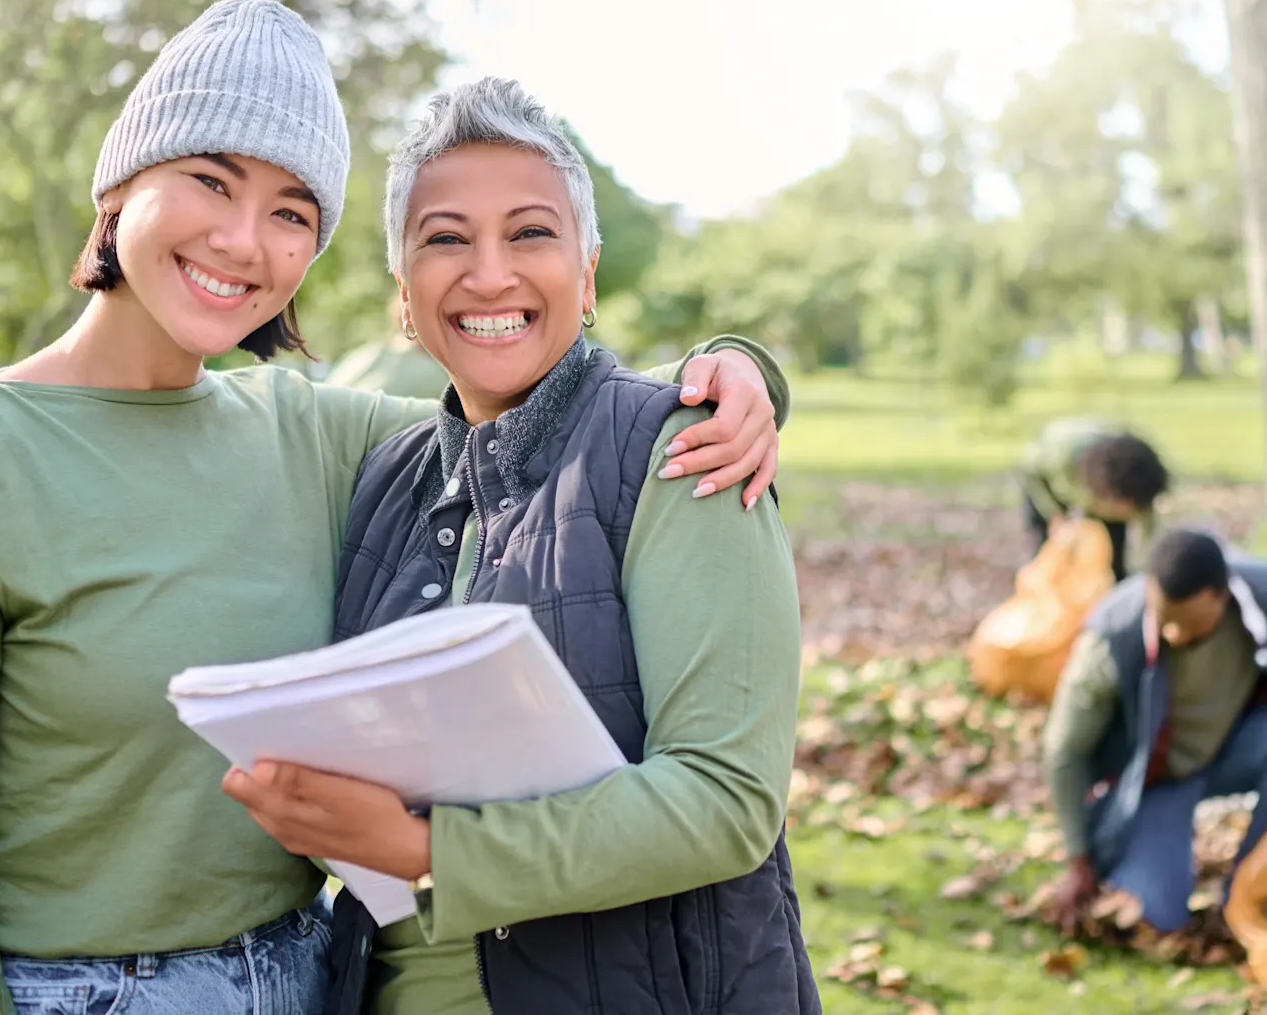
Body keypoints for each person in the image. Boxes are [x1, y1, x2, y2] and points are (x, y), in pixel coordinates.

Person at [0, 0, 789, 1015]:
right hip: (80, 991)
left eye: (292, 211)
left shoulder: (310, 435)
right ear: (120, 184)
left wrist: (736, 374)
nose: (244, 240)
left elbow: (553, 398)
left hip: (305, 980)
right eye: (210, 179)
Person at [220, 77, 821, 1015]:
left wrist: (427, 853)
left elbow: (725, 800)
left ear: (585, 275)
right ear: (404, 298)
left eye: (531, 234)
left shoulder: (681, 451)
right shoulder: (384, 476)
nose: (490, 274)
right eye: (446, 239)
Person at [1041, 528, 1267, 935]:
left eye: (1187, 625)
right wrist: (1078, 860)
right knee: (1154, 917)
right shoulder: (1113, 634)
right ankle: (1144, 865)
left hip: (1233, 747)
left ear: (1222, 596)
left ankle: (1248, 892)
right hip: (1155, 780)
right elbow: (1063, 751)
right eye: (1164, 620)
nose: (1173, 634)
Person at [1017, 415, 1170, 582]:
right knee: (1048, 544)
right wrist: (1054, 514)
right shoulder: (1062, 455)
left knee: (1112, 548)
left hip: (1100, 492)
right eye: (1124, 507)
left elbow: (1149, 540)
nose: (1129, 513)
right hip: (1043, 480)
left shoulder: (1140, 491)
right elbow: (1031, 473)